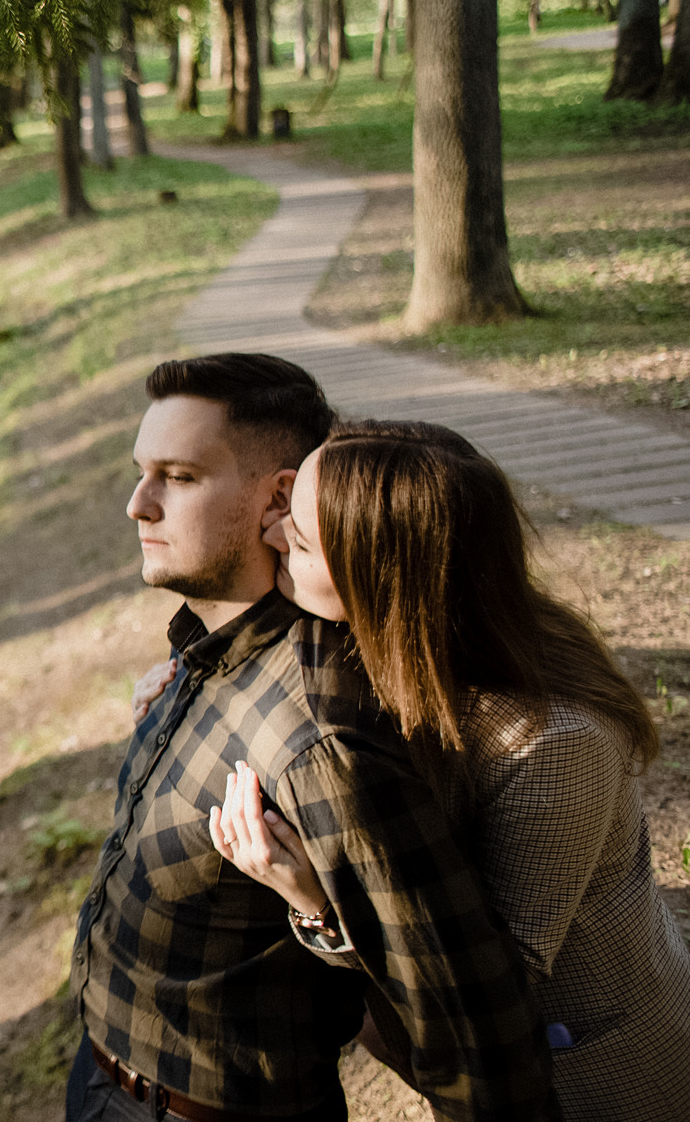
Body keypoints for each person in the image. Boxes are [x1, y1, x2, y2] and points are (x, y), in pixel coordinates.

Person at [68, 353, 557, 1122]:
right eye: (142, 471)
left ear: (281, 496)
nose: (138, 504)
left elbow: (473, 1028)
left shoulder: (317, 737)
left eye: (180, 477)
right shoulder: (209, 639)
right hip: (105, 1076)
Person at [209, 419, 690, 1121]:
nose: (273, 533)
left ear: (382, 582)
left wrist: (316, 904)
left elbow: (490, 992)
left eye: (302, 539)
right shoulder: (393, 645)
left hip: (594, 1078)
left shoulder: (552, 745)